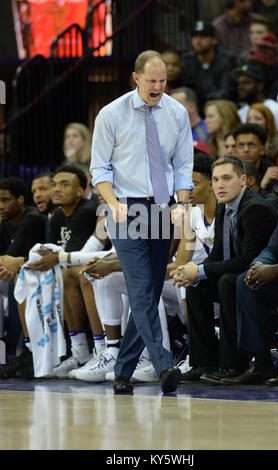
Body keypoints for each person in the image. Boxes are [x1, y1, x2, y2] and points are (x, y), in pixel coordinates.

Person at [90, 49, 194, 394]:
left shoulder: (177, 112)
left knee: (147, 292)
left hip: (163, 206)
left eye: (163, 81)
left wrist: (180, 202)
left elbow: (182, 165)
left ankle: (122, 371)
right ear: (136, 78)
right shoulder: (111, 113)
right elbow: (99, 168)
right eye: (152, 81)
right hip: (124, 207)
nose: (158, 87)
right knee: (139, 285)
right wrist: (112, 203)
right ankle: (165, 365)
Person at [170, 155, 278, 383]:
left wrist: (199, 270)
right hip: (239, 276)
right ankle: (203, 362)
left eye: (227, 178)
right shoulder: (224, 207)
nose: (220, 185)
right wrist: (193, 271)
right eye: (216, 180)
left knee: (227, 281)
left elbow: (248, 259)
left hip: (267, 279)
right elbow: (219, 254)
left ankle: (233, 365)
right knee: (197, 286)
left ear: (243, 180)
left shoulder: (255, 208)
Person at [0, 165, 100, 379]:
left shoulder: (86, 211)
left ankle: (86, 348)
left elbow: (71, 255)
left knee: (66, 273)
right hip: (68, 268)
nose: (56, 189)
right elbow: (51, 252)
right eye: (54, 184)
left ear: (80, 191)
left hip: (91, 269)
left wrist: (21, 261)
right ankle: (32, 349)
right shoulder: (57, 216)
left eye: (64, 185)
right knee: (26, 274)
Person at [221, 157, 278, 386]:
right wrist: (258, 266)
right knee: (246, 282)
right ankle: (261, 363)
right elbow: (274, 247)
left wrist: (277, 270)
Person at [0, 177, 47, 373]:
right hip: (19, 272)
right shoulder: (6, 223)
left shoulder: (31, 219)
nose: (0, 206)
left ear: (20, 200)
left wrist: (8, 263)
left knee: (17, 279)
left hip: (39, 273)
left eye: (5, 200)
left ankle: (20, 349)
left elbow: (10, 258)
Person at [181, 21, 236, 114]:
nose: (198, 41)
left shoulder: (227, 59)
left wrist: (203, 98)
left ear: (214, 40)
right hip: (194, 109)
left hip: (220, 108)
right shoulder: (187, 60)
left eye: (203, 37)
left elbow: (226, 91)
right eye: (194, 37)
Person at [233, 64, 278, 131]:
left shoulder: (274, 108)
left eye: (246, 83)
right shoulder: (240, 112)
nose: (241, 87)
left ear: (260, 86)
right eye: (239, 83)